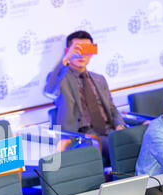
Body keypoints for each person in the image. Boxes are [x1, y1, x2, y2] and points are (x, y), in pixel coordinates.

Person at [44, 30, 126, 164]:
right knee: (102, 145)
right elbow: (49, 90)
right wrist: (65, 59)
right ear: (67, 51)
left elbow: (111, 109)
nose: (81, 54)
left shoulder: (99, 79)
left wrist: (120, 125)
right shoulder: (61, 80)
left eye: (86, 49)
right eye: (77, 49)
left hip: (108, 131)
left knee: (133, 139)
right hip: (80, 137)